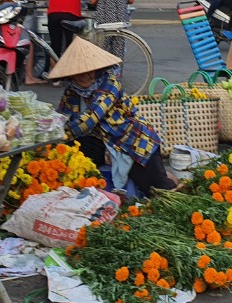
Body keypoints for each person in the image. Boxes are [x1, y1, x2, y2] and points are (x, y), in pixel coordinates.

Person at [53, 38, 176, 195]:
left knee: (159, 190)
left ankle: (168, 179)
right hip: (104, 143)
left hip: (133, 142)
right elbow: (61, 117)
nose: (86, 75)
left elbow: (88, 122)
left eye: (90, 70)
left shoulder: (110, 84)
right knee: (69, 150)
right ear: (71, 74)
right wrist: (49, 131)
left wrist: (57, 136)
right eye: (80, 72)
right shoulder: (71, 92)